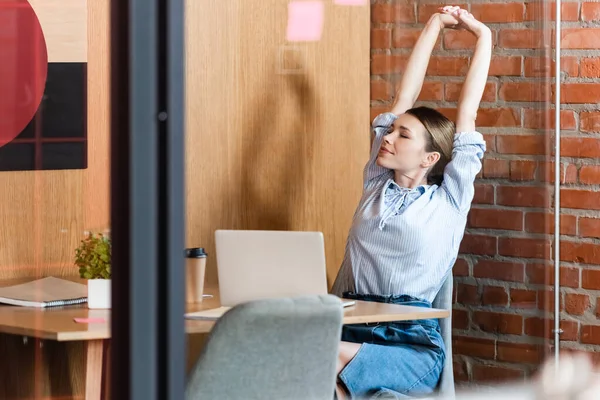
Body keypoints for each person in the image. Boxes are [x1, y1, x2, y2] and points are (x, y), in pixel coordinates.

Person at [331, 6, 492, 399]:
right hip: (349, 325)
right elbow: (403, 96)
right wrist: (435, 23)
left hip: (410, 345)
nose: (387, 137)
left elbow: (467, 112)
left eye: (402, 135)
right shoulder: (375, 184)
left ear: (429, 158)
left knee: (315, 358)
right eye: (391, 131)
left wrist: (483, 36)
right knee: (308, 360)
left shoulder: (449, 201)